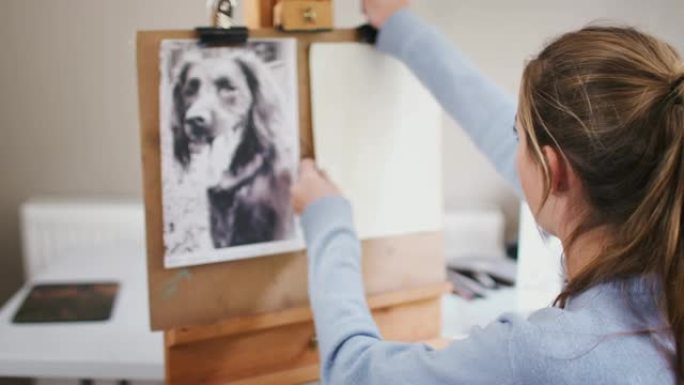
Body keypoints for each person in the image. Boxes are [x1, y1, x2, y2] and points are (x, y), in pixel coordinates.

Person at [290, 0, 684, 383]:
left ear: (553, 172)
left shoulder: (543, 355)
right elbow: (499, 129)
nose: (512, 150)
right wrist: (401, 28)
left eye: (520, 138)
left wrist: (328, 221)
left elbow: (354, 374)